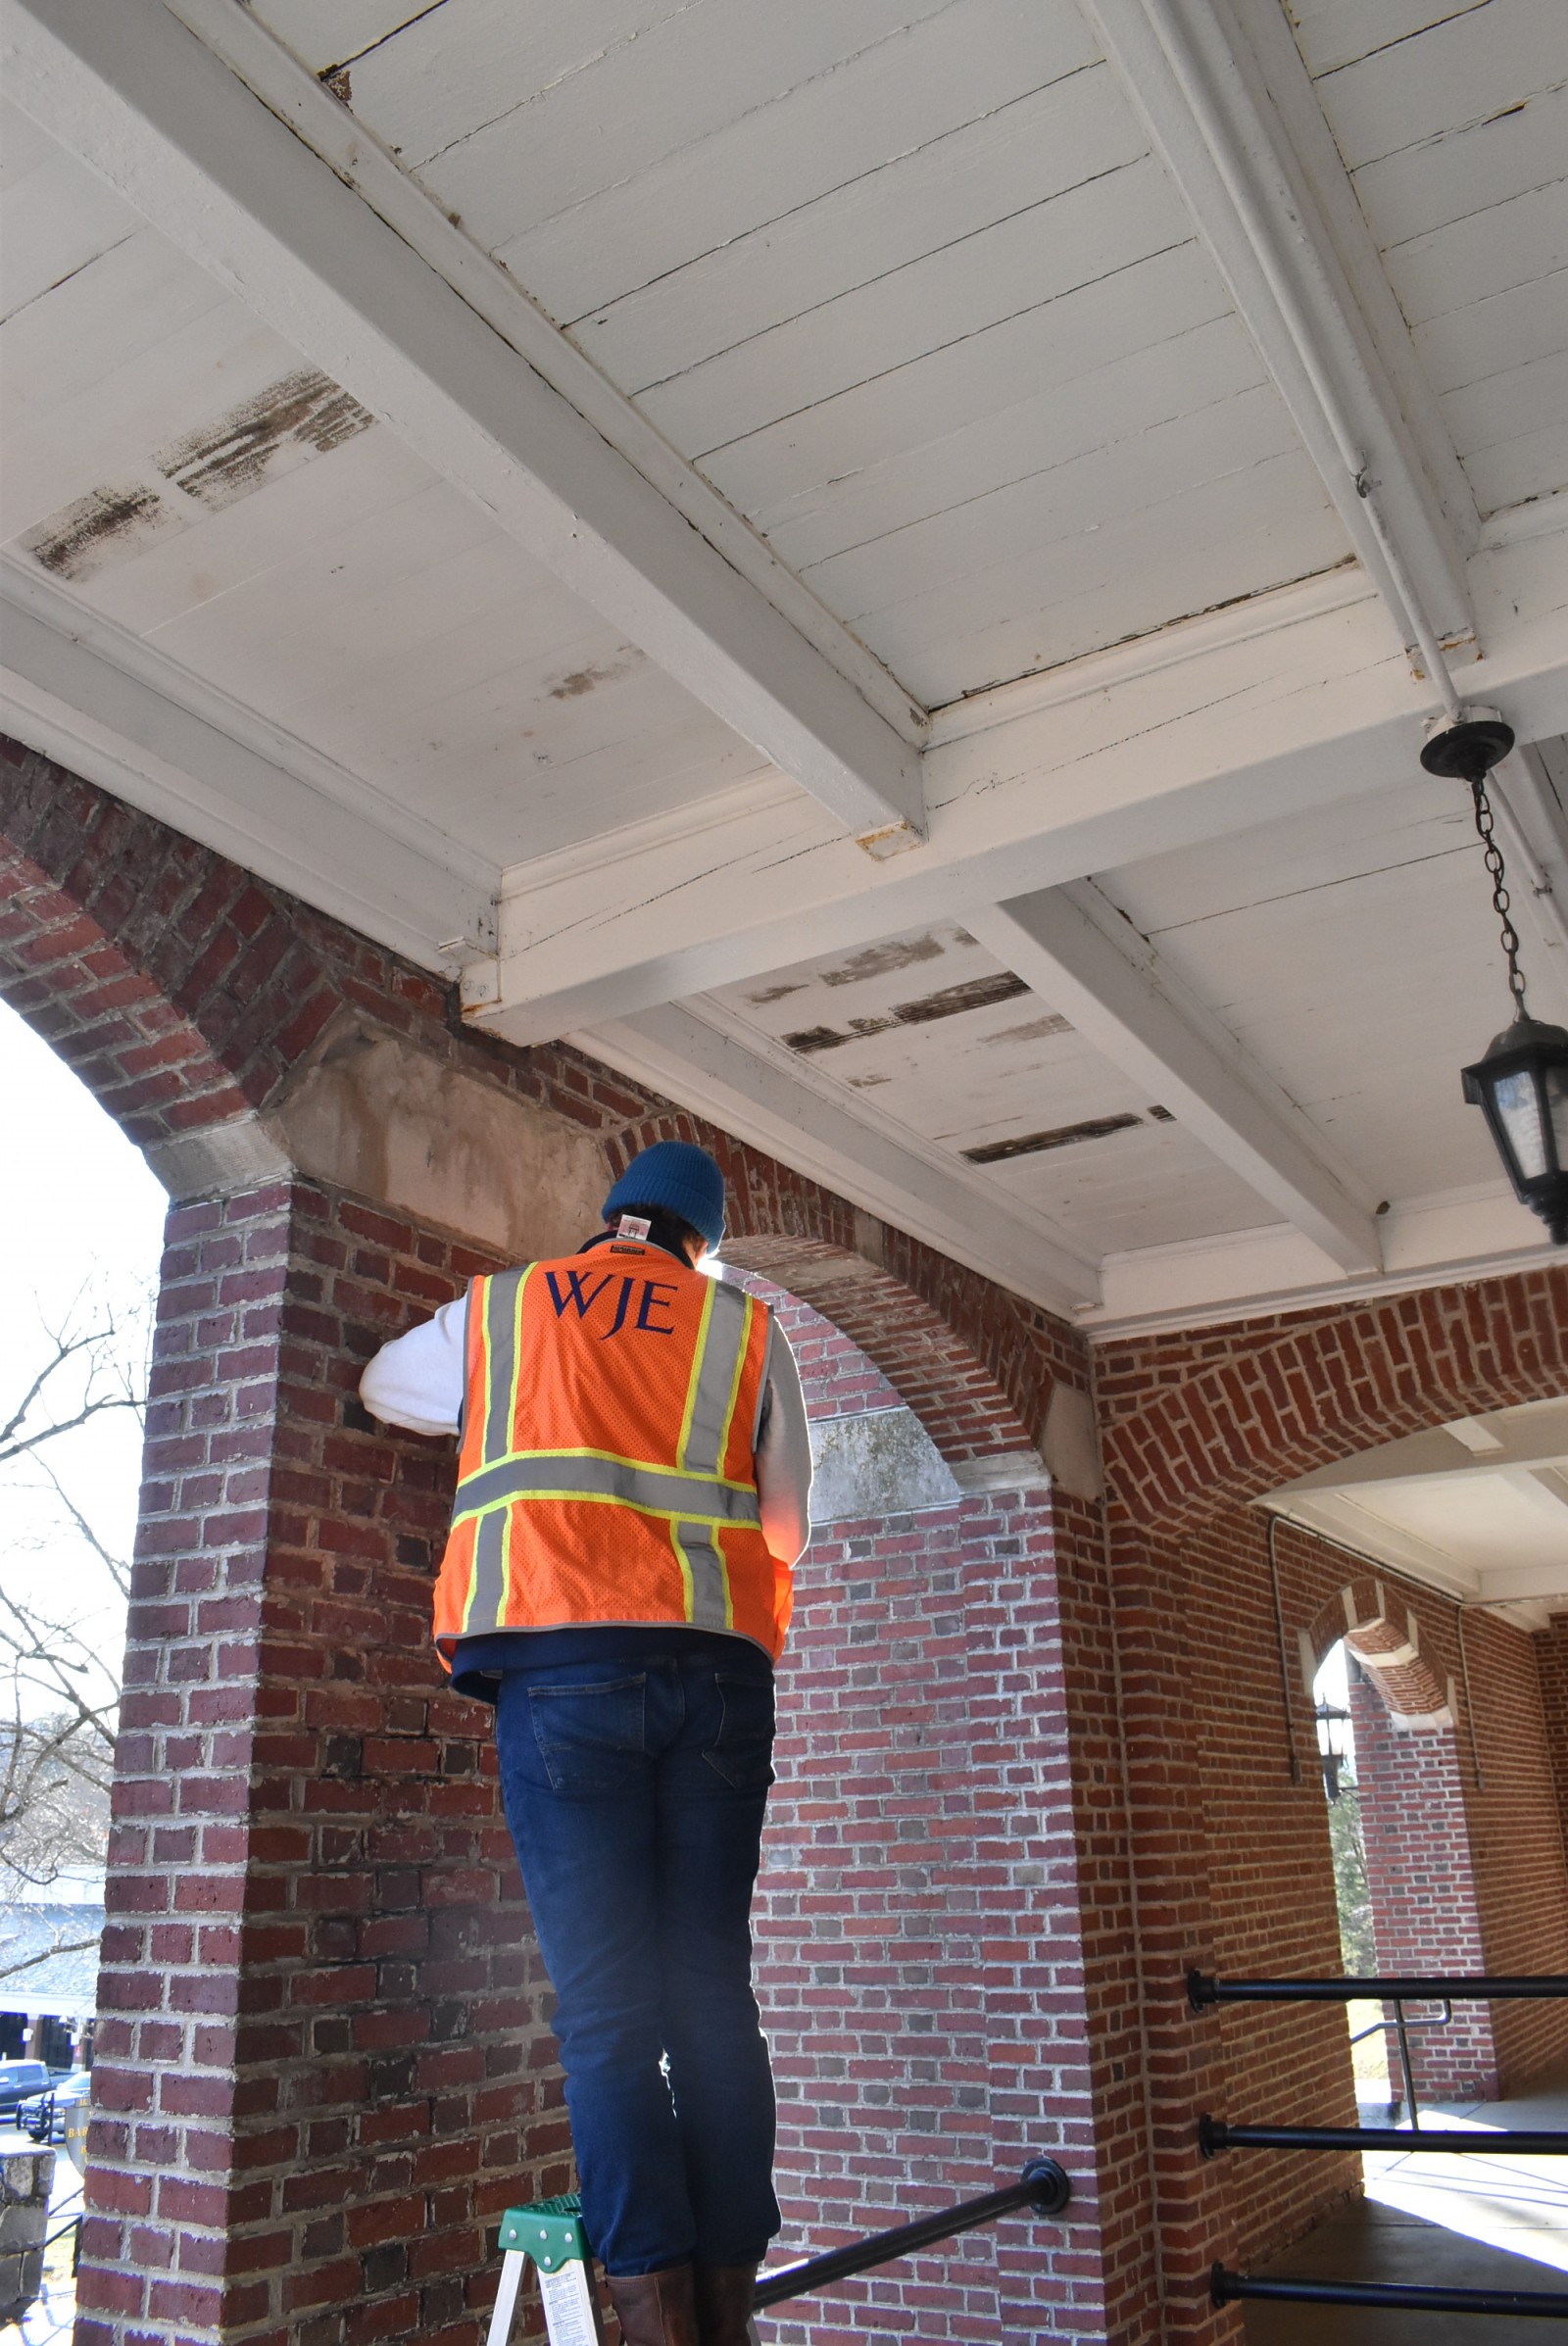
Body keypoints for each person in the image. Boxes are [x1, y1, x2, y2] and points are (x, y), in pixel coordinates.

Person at [360, 1142, 811, 2346]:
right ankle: (730, 2309)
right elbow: (787, 1527)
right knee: (711, 1995)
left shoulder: (506, 1310)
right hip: (717, 1681)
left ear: (611, 1215)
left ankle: (656, 2312)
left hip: (563, 1675)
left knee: (608, 2011)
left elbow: (384, 1389)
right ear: (702, 1240)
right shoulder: (742, 1329)